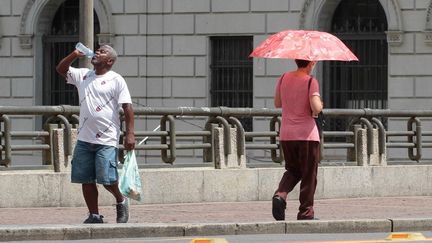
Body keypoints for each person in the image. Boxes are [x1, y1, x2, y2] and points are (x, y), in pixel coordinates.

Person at [56, 44, 135, 224]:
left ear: (109, 61)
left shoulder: (116, 80)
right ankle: (94, 215)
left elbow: (128, 108)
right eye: (97, 50)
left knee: (107, 179)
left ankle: (121, 200)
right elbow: (61, 69)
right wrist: (74, 54)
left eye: (103, 51)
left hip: (107, 138)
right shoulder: (84, 75)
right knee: (86, 179)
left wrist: (130, 134)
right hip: (84, 137)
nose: (97, 52)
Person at [272, 59, 323, 221]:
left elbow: (277, 103)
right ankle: (305, 212)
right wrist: (320, 103)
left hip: (286, 134)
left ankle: (280, 195)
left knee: (293, 170)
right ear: (311, 63)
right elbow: (316, 108)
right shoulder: (311, 82)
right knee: (309, 174)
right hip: (306, 135)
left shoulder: (284, 77)